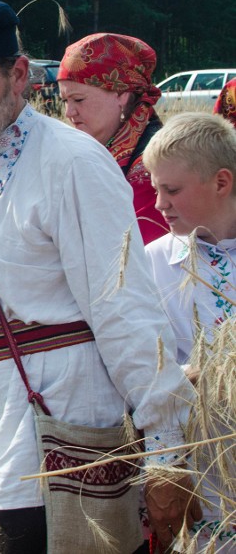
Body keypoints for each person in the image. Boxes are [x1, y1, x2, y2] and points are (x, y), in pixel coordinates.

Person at [0, 0, 198, 553]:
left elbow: (124, 307)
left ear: (18, 75)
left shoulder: (73, 163)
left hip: (65, 439)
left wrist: (167, 448)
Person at [143, 112, 236, 552]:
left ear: (222, 182)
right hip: (204, 470)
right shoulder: (152, 263)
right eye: (156, 188)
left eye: (172, 190)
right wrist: (165, 467)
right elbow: (148, 368)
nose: (159, 204)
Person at [57, 33, 169, 245]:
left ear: (121, 94)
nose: (69, 112)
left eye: (78, 99)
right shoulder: (93, 150)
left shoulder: (154, 165)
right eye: (64, 100)